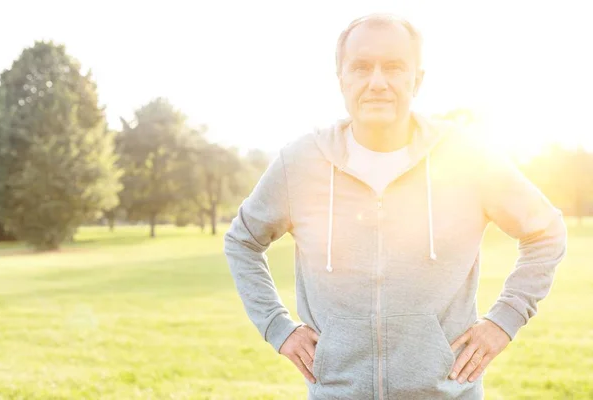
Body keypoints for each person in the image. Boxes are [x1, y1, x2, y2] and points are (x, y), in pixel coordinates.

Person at [223, 13, 567, 399]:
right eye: (361, 67)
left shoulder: (466, 156)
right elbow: (242, 241)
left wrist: (505, 319)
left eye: (393, 67)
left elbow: (547, 232)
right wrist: (276, 325)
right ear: (342, 80)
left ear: (416, 80)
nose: (377, 83)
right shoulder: (300, 163)